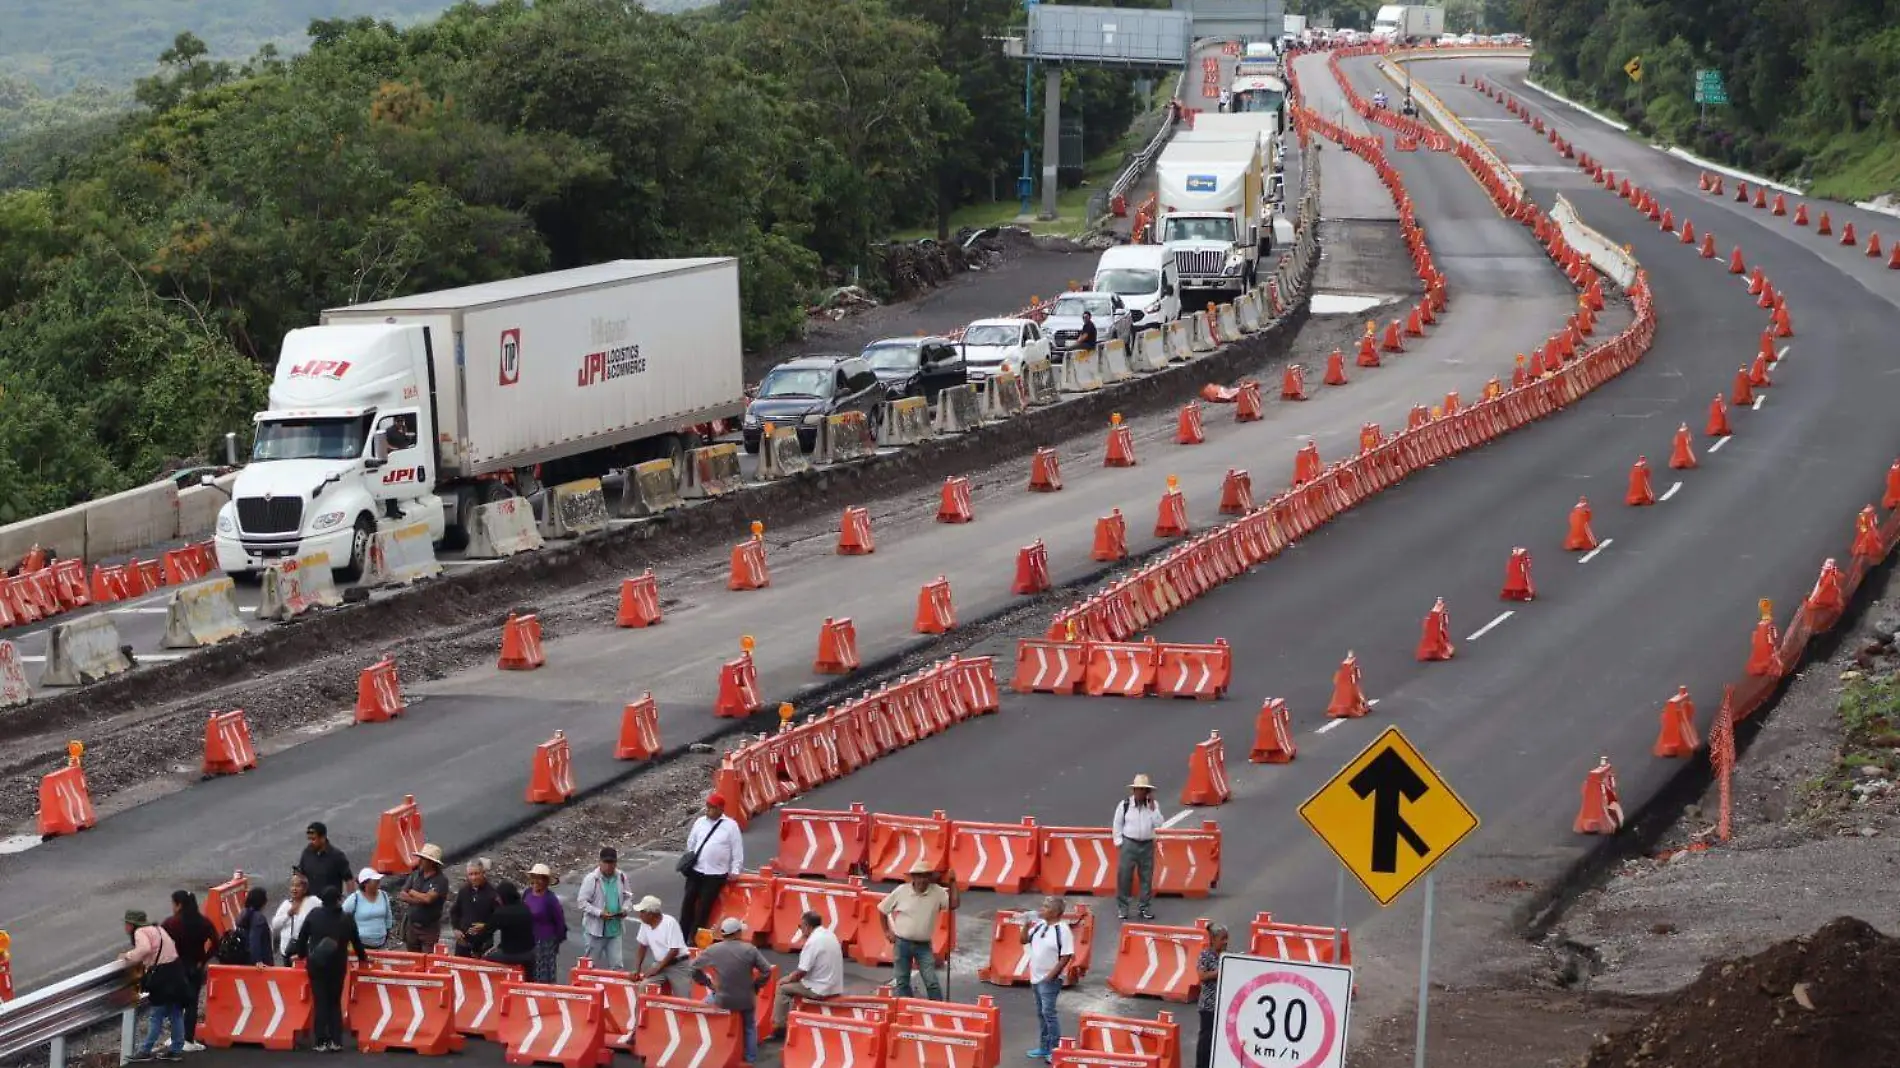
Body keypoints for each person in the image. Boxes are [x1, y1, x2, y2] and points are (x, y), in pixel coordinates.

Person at [291, 888, 370, 1052]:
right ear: (338, 900)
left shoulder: (314, 915)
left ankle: (320, 1041)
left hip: (317, 965)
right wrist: (363, 959)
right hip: (338, 966)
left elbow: (302, 938)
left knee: (320, 1002)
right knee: (335, 1002)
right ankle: (336, 1040)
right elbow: (356, 942)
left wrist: (302, 954)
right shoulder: (347, 919)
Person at [693, 918, 771, 1066]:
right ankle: (750, 1060)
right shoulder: (750, 949)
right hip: (745, 998)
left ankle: (709, 1048)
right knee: (749, 1026)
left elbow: (693, 969)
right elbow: (766, 971)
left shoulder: (713, 950)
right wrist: (756, 986)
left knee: (702, 1008)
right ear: (738, 932)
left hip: (722, 999)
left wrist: (708, 983)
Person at [877, 861, 957, 1000]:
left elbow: (953, 904)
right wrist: (887, 932)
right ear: (913, 877)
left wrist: (953, 882)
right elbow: (882, 910)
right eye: (919, 876)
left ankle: (936, 1009)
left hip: (923, 945)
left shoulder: (937, 891)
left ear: (930, 878)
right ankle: (907, 1008)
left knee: (931, 981)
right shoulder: (901, 890)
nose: (922, 880)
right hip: (902, 943)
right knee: (902, 981)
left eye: (925, 876)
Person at [121, 910, 188, 1062]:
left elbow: (145, 949)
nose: (125, 927)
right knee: (175, 1012)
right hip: (176, 971)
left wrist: (128, 956)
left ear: (132, 925)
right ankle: (176, 1050)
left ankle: (145, 1051)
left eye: (126, 923)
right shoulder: (158, 928)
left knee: (156, 1014)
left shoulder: (140, 932)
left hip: (162, 976)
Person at [161, 890, 218, 1052]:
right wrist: (203, 959)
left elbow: (160, 942)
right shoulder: (204, 922)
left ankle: (175, 1037)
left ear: (179, 904)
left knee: (176, 1003)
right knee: (192, 1003)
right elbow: (216, 942)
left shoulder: (171, 923)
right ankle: (188, 1039)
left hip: (176, 967)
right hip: (195, 967)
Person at [679, 794, 743, 938]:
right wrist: (691, 857)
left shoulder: (731, 826)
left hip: (716, 874)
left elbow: (737, 850)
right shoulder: (700, 822)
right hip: (696, 871)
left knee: (704, 909)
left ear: (720, 809)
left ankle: (695, 938)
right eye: (708, 807)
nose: (708, 810)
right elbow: (691, 842)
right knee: (687, 904)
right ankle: (681, 936)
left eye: (712, 808)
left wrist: (735, 870)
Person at [1022, 897, 1076, 1062]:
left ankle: (1054, 1050)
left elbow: (1066, 956)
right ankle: (1044, 1047)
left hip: (1049, 979)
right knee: (1041, 1013)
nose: (1041, 908)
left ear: (1055, 912)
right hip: (1035, 977)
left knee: (1048, 1013)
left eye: (1045, 907)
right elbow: (1023, 940)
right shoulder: (1040, 926)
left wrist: (1051, 976)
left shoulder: (1063, 930)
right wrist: (1025, 925)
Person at [772, 911, 843, 1033]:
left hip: (819, 988)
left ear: (807, 926)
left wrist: (786, 979)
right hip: (835, 986)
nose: (800, 930)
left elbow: (802, 971)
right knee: (794, 984)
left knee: (782, 988)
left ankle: (779, 1026)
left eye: (800, 926)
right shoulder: (830, 935)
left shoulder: (812, 942)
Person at [1113, 774, 1164, 921]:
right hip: (1129, 843)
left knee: (1146, 878)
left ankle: (1144, 908)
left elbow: (1159, 823)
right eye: (1139, 789)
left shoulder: (1153, 806)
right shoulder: (1124, 805)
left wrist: (1153, 809)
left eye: (1144, 790)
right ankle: (1123, 908)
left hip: (1147, 844)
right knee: (1124, 876)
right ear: (1134, 791)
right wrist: (1119, 842)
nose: (1142, 793)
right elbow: (1117, 824)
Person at [631, 895, 693, 995]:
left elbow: (674, 950)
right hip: (660, 964)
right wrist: (637, 969)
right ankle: (640, 1011)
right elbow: (642, 946)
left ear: (651, 914)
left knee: (683, 998)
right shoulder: (645, 924)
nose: (639, 914)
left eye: (642, 912)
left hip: (678, 966)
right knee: (643, 986)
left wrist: (657, 967)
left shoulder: (670, 923)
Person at [578, 847, 629, 969]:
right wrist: (599, 913)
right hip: (595, 931)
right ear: (599, 862)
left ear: (616, 863)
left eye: (611, 862)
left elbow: (628, 897)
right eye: (606, 862)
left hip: (615, 930)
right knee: (589, 966)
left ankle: (614, 988)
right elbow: (582, 902)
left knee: (617, 966)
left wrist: (625, 909)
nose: (608, 866)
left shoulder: (622, 877)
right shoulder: (591, 879)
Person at [397, 844, 451, 951]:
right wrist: (419, 899)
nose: (420, 861)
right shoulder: (416, 874)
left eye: (423, 859)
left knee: (427, 958)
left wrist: (412, 892)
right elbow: (402, 894)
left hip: (429, 929)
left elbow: (428, 899)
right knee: (413, 958)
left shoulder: (441, 880)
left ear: (432, 862)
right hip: (412, 926)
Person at [523, 864, 568, 984]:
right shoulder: (527, 893)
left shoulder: (550, 899)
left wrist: (555, 942)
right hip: (528, 939)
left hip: (545, 942)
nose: (537, 881)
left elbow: (560, 922)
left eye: (540, 878)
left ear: (546, 881)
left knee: (543, 973)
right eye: (535, 877)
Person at [483, 882, 538, 980]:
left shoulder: (502, 913)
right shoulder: (526, 908)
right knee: (529, 978)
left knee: (486, 959)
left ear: (504, 897)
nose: (497, 899)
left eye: (498, 896)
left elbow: (487, 931)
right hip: (530, 954)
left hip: (512, 955)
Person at [450, 858, 502, 958]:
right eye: (471, 874)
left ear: (483, 873)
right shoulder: (463, 891)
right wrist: (456, 929)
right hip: (463, 943)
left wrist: (485, 926)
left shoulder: (493, 893)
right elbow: (454, 912)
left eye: (476, 874)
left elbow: (499, 918)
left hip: (483, 945)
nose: (474, 878)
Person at [1195, 925, 1230, 1068]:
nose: (1226, 942)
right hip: (1208, 1007)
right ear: (1214, 939)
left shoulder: (1226, 956)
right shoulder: (1205, 955)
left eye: (1227, 938)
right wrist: (1221, 970)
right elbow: (1202, 976)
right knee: (1206, 1042)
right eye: (1223, 939)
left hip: (1223, 1007)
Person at [297, 822, 355, 902]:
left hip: (331, 904)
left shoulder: (337, 856)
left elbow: (349, 879)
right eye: (309, 839)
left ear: (323, 838)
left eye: (313, 839)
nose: (311, 842)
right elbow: (301, 875)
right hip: (310, 903)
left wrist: (350, 902)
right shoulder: (307, 853)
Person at [270, 873, 320, 966]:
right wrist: (288, 914)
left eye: (298, 886)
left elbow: (324, 912)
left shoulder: (313, 901)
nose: (294, 889)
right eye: (292, 885)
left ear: (305, 889)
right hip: (288, 950)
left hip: (307, 951)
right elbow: (275, 925)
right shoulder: (286, 905)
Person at [343, 869, 393, 950]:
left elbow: (388, 917)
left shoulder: (383, 895)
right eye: (375, 881)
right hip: (361, 946)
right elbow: (342, 916)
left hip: (381, 945)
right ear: (365, 883)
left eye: (378, 880)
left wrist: (387, 931)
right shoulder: (355, 898)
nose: (378, 882)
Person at [236, 887, 273, 965]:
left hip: (245, 959)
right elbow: (254, 939)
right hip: (261, 962)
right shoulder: (258, 918)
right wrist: (258, 961)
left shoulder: (243, 913)